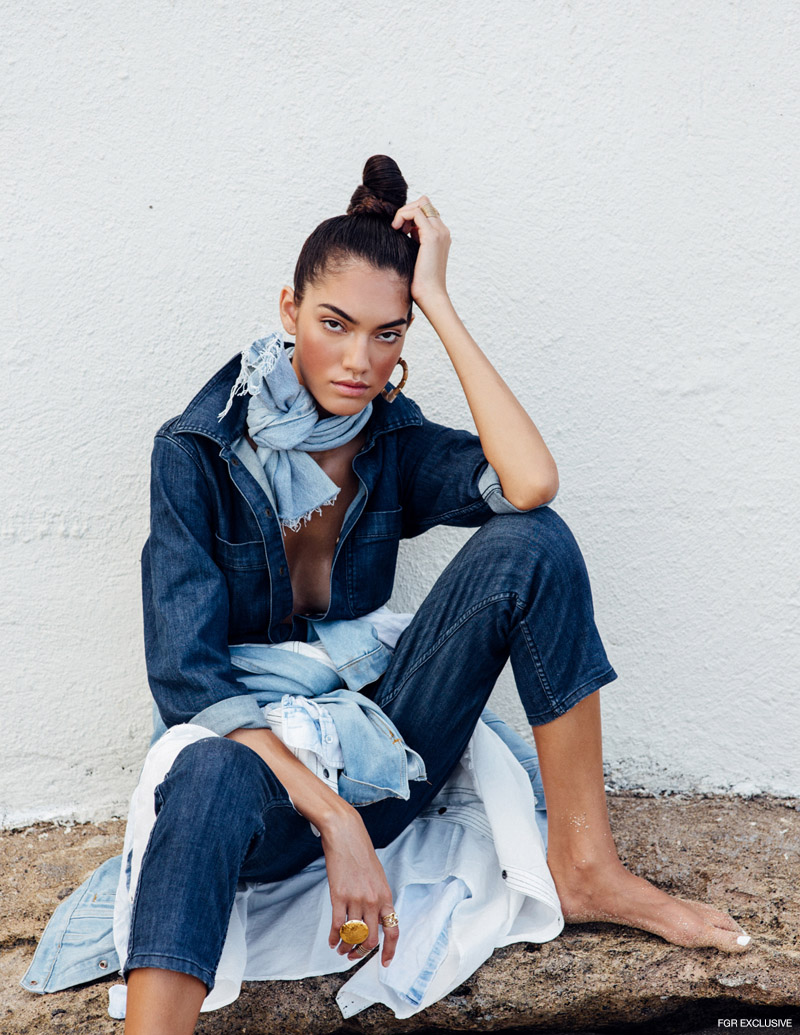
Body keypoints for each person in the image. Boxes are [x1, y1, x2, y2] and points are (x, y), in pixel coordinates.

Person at [123, 155, 751, 1034]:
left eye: (387, 334)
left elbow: (529, 483)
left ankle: (585, 864)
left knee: (534, 543)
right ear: (288, 309)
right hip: (257, 788)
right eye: (335, 324)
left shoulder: (391, 441)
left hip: (382, 743)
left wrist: (443, 305)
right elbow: (189, 683)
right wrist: (337, 819)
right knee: (203, 768)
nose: (358, 360)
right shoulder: (195, 449)